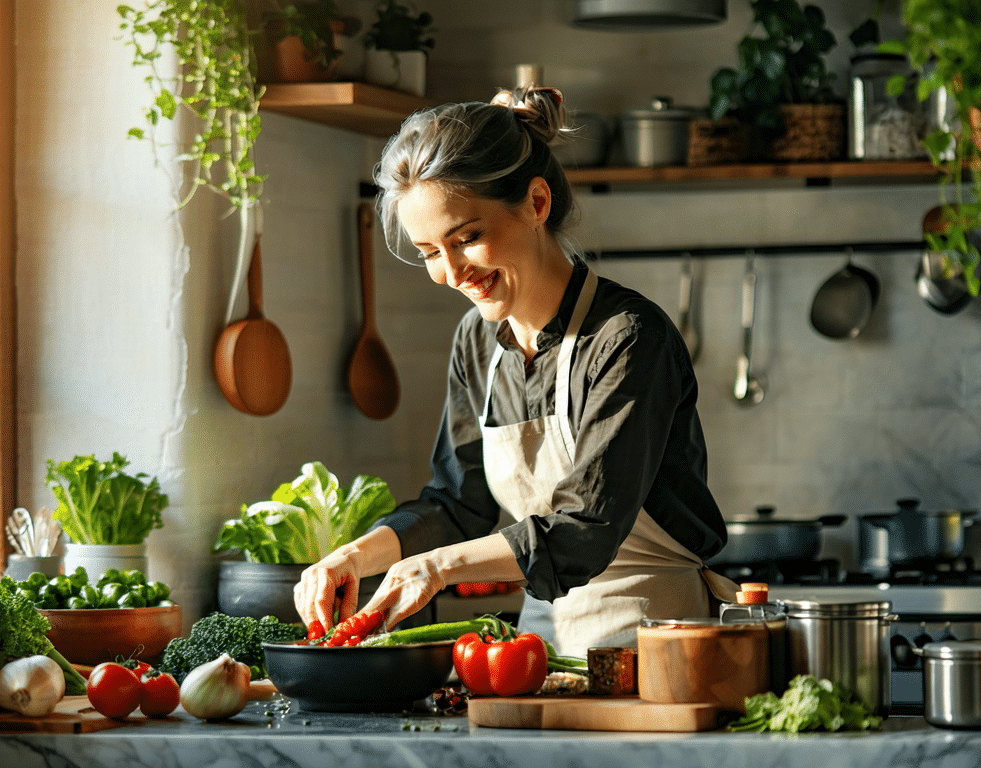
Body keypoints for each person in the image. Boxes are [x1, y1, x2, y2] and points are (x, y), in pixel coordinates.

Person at [293, 86, 737, 655]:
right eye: (429, 252)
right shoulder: (477, 341)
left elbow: (584, 529)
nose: (452, 272)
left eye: (467, 238)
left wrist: (436, 568)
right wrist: (355, 556)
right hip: (539, 647)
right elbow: (457, 504)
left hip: (657, 641)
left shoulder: (626, 338)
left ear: (536, 203)